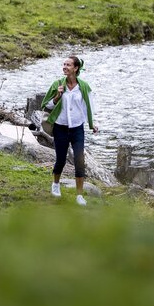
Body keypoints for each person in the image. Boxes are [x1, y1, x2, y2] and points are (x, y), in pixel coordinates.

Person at [41, 55, 98, 206]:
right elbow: (46, 105)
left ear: (76, 68)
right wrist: (57, 97)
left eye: (68, 65)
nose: (65, 67)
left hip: (77, 128)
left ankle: (79, 196)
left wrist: (93, 123)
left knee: (80, 161)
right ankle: (55, 184)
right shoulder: (57, 84)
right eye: (64, 64)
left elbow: (90, 106)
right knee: (60, 160)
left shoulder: (84, 87)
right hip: (60, 127)